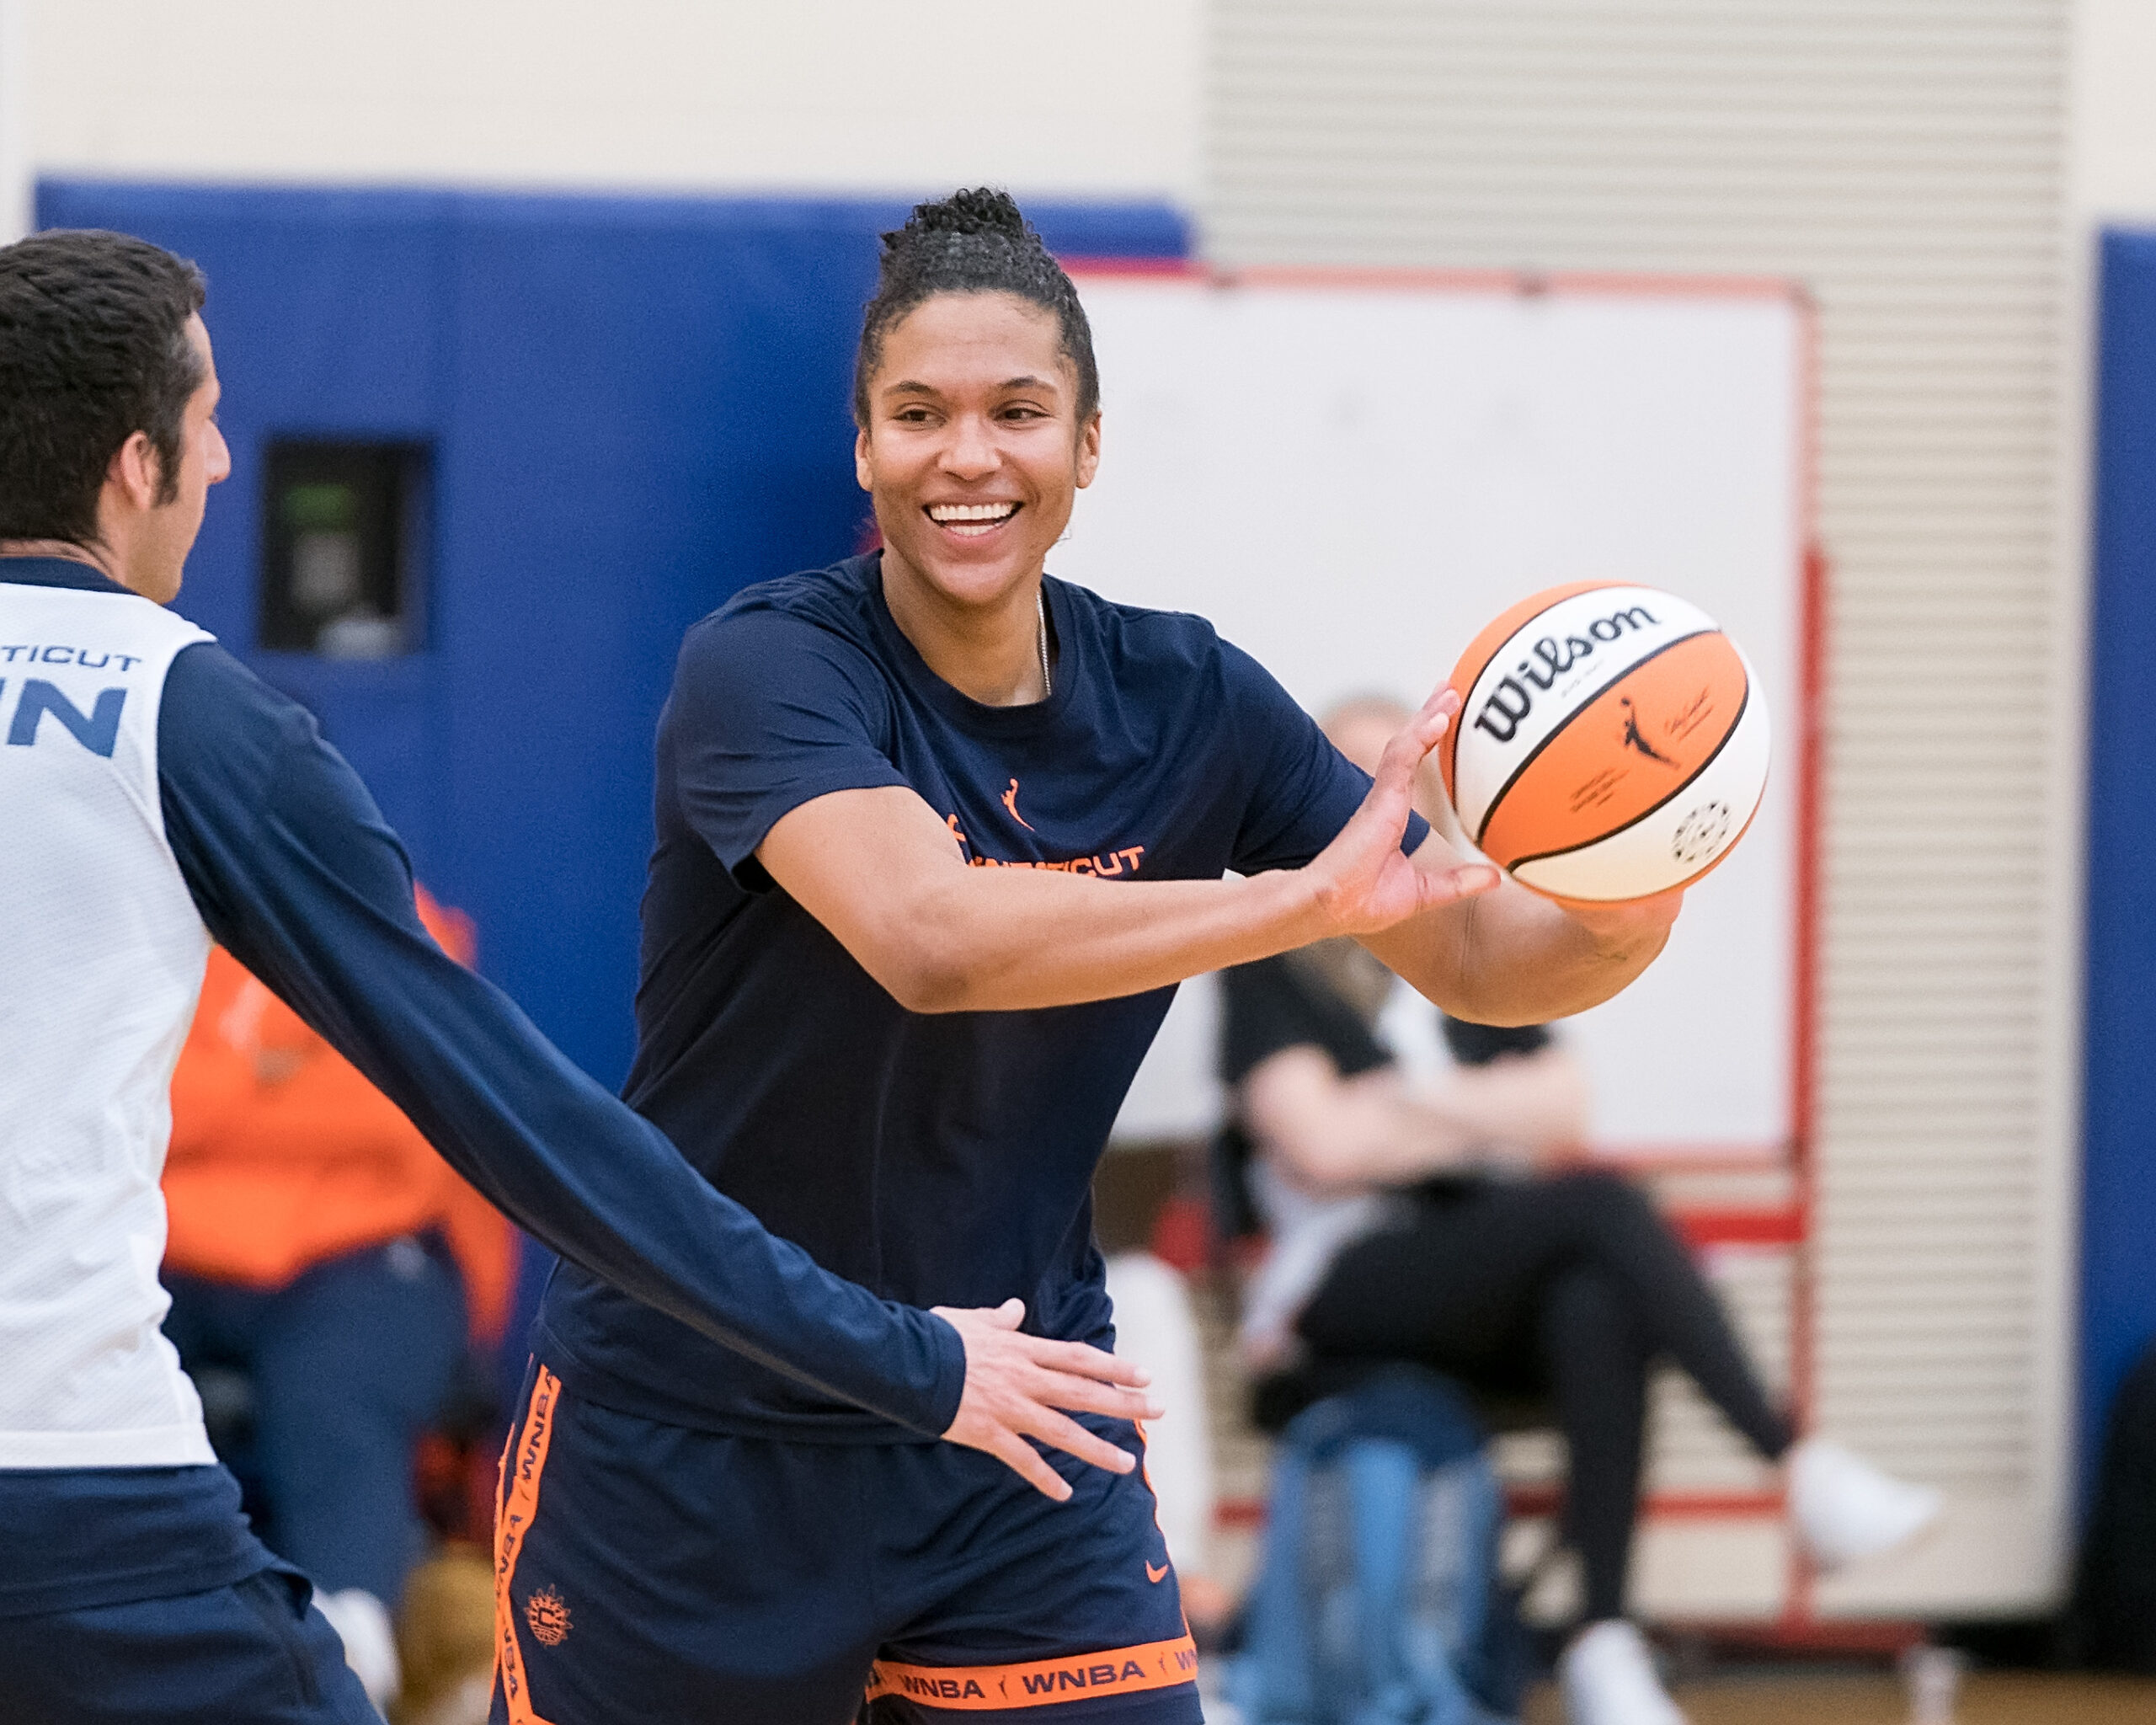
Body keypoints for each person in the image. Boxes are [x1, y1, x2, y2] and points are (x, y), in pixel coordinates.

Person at [492, 187, 1684, 1725]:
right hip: (702, 1422)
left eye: (1018, 411)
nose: (969, 454)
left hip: (1023, 1418)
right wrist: (1296, 906)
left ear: (1089, 445)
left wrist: (1638, 867)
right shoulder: (768, 666)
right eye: (918, 413)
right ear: (864, 449)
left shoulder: (1186, 696)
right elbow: (932, 936)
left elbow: (1474, 949)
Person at [0, 228, 1158, 1725]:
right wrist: (906, 1358)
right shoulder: (185, 712)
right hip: (69, 1484)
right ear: (135, 465)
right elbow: (526, 1126)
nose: (227, 465)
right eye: (211, 424)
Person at [1218, 695, 1942, 1725]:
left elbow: (1562, 1110)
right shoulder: (1276, 952)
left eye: (1397, 779)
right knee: (1600, 1205)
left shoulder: (1463, 931)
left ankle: (1603, 1638)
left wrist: (1398, 1108)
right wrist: (1478, 1117)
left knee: (1596, 1296)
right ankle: (1796, 1463)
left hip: (1475, 1277)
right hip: (1340, 1289)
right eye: (1344, 780)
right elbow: (1321, 1147)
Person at [162, 891, 518, 1707]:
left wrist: (212, 1092)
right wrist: (276, 1079)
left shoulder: (387, 910)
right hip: (164, 1254)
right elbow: (95, 1106)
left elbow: (400, 1114)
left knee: (339, 1374)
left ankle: (349, 1661)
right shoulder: (126, 915)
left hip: (360, 1261)